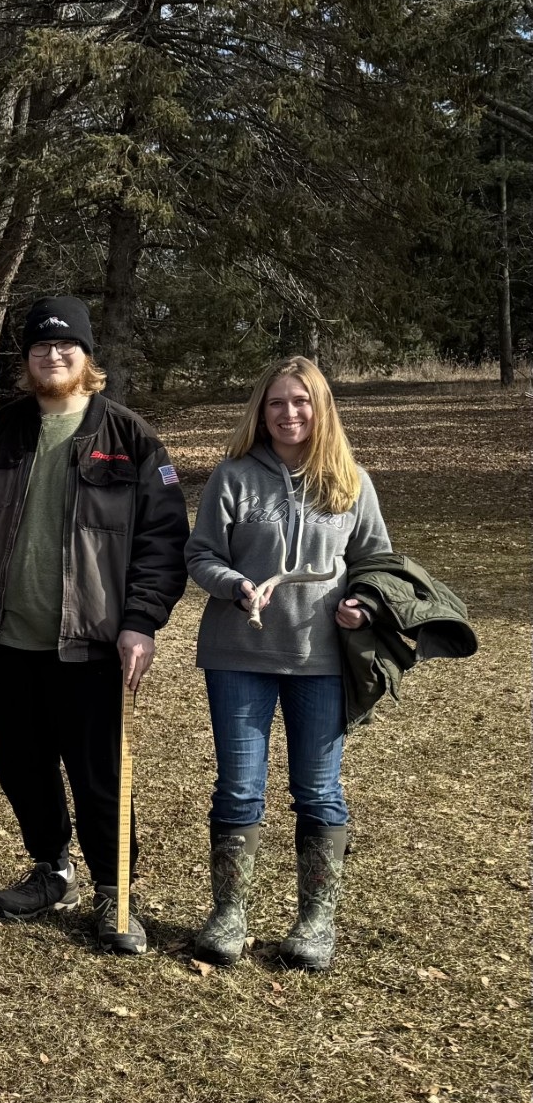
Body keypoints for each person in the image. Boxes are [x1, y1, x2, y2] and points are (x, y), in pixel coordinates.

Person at [0, 296, 188, 955]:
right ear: (25, 360)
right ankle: (51, 867)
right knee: (20, 763)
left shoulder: (131, 439)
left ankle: (116, 892)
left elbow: (164, 540)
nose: (53, 357)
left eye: (66, 347)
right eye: (41, 348)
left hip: (93, 643)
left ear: (87, 356)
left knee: (99, 770)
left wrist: (141, 620)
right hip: (4, 636)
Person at [184, 357, 390, 971]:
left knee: (319, 791)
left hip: (320, 659)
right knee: (240, 788)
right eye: (277, 402)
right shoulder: (234, 476)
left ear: (320, 408)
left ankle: (315, 922)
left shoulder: (350, 481)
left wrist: (364, 605)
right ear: (261, 410)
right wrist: (235, 585)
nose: (290, 413)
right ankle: (229, 914)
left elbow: (378, 560)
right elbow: (200, 554)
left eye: (302, 401)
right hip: (238, 654)